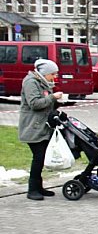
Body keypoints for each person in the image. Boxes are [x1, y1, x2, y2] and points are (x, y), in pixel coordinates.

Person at [18, 58, 62, 201]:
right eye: (53, 74)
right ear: (45, 73)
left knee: (41, 157)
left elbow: (46, 103)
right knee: (38, 158)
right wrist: (52, 97)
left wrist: (56, 102)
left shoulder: (43, 82)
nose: (55, 77)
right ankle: (32, 190)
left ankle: (39, 187)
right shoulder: (31, 82)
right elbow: (35, 104)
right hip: (33, 126)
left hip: (42, 126)